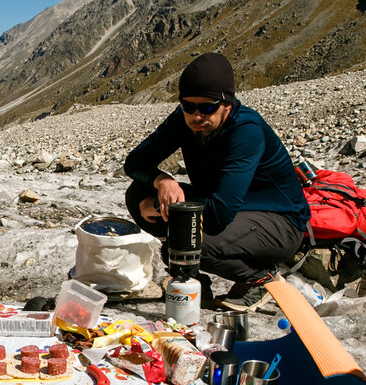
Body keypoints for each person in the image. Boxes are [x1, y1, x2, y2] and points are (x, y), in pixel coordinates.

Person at [123, 53, 310, 312]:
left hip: (279, 222)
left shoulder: (246, 130)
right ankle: (194, 279)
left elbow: (219, 213)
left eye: (208, 107)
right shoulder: (183, 119)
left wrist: (159, 206)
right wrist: (162, 181)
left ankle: (258, 278)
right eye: (189, 106)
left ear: (227, 105)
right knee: (137, 193)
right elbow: (134, 163)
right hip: (223, 205)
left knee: (186, 246)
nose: (197, 115)